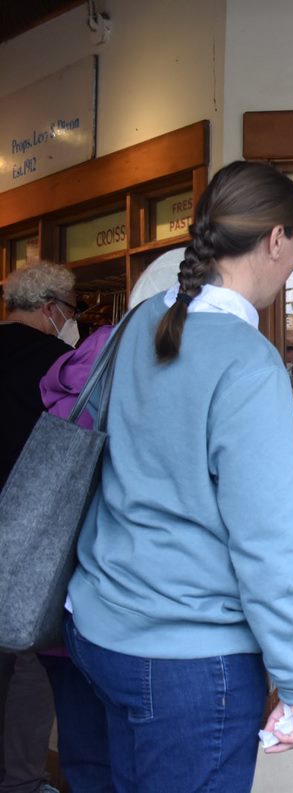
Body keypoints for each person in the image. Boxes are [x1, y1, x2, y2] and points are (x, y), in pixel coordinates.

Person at [64, 160, 293, 792]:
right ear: (275, 239)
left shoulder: (138, 324)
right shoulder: (250, 366)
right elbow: (268, 545)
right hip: (187, 661)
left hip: (98, 625)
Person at [0, 262, 79, 793]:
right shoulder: (62, 365)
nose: (72, 321)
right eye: (71, 310)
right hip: (30, 526)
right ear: (50, 307)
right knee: (28, 655)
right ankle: (22, 780)